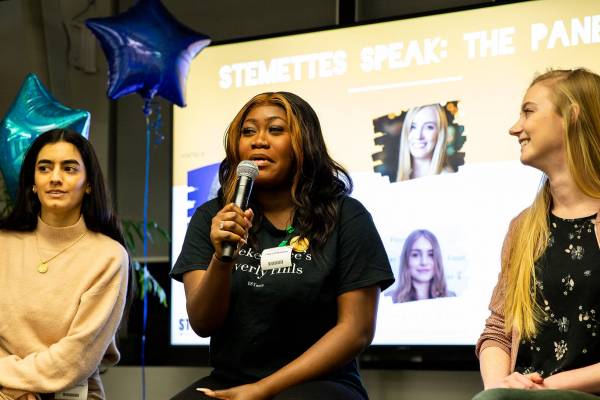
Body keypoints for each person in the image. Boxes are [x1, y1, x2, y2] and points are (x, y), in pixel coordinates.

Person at [170, 91, 394, 400]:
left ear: (304, 143)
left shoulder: (346, 216)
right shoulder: (213, 218)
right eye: (248, 132)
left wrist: (262, 390)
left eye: (276, 129)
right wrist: (222, 260)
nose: (259, 140)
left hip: (322, 383)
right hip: (231, 380)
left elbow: (356, 330)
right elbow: (203, 323)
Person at [474, 68, 600, 400]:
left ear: (572, 116)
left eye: (528, 111)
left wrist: (537, 389)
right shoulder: (523, 227)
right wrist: (500, 388)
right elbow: (498, 331)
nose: (515, 128)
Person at [0, 129, 129, 400]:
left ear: (89, 183)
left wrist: (21, 387)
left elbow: (76, 357)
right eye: (44, 168)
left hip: (70, 394)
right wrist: (15, 390)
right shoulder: (4, 243)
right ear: (33, 182)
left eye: (69, 169)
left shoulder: (109, 256)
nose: (55, 178)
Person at [386, 229, 454, 303]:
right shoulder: (389, 300)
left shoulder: (451, 298)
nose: (424, 262)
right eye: (415, 255)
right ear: (406, 259)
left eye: (431, 254)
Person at [396, 103, 452, 181]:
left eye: (429, 127)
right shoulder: (405, 176)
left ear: (440, 134)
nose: (418, 136)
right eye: (413, 126)